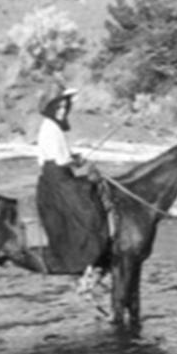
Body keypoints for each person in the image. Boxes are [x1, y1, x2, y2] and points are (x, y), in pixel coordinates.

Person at [35, 86, 111, 287]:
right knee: (86, 210)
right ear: (51, 108)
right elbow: (60, 160)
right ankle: (85, 261)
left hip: (59, 175)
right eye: (59, 107)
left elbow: (60, 156)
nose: (62, 111)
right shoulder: (50, 127)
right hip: (57, 179)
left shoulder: (52, 127)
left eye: (64, 107)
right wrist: (76, 162)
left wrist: (74, 158)